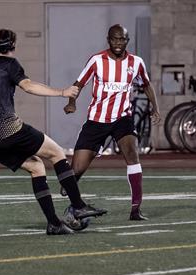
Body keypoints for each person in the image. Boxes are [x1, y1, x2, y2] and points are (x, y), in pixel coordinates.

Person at [0, 29, 107, 235]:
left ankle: (54, 223)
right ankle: (79, 206)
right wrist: (61, 92)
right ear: (11, 47)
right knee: (57, 153)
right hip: (10, 129)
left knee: (37, 167)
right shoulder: (10, 64)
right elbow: (28, 86)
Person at [62, 24, 161, 221]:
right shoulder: (97, 60)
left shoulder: (136, 62)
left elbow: (147, 85)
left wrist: (155, 108)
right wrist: (71, 102)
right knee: (77, 169)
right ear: (109, 40)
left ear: (127, 40)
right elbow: (78, 83)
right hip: (96, 121)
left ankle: (135, 209)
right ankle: (71, 190)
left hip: (122, 119)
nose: (118, 43)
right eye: (115, 39)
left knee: (133, 156)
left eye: (122, 39)